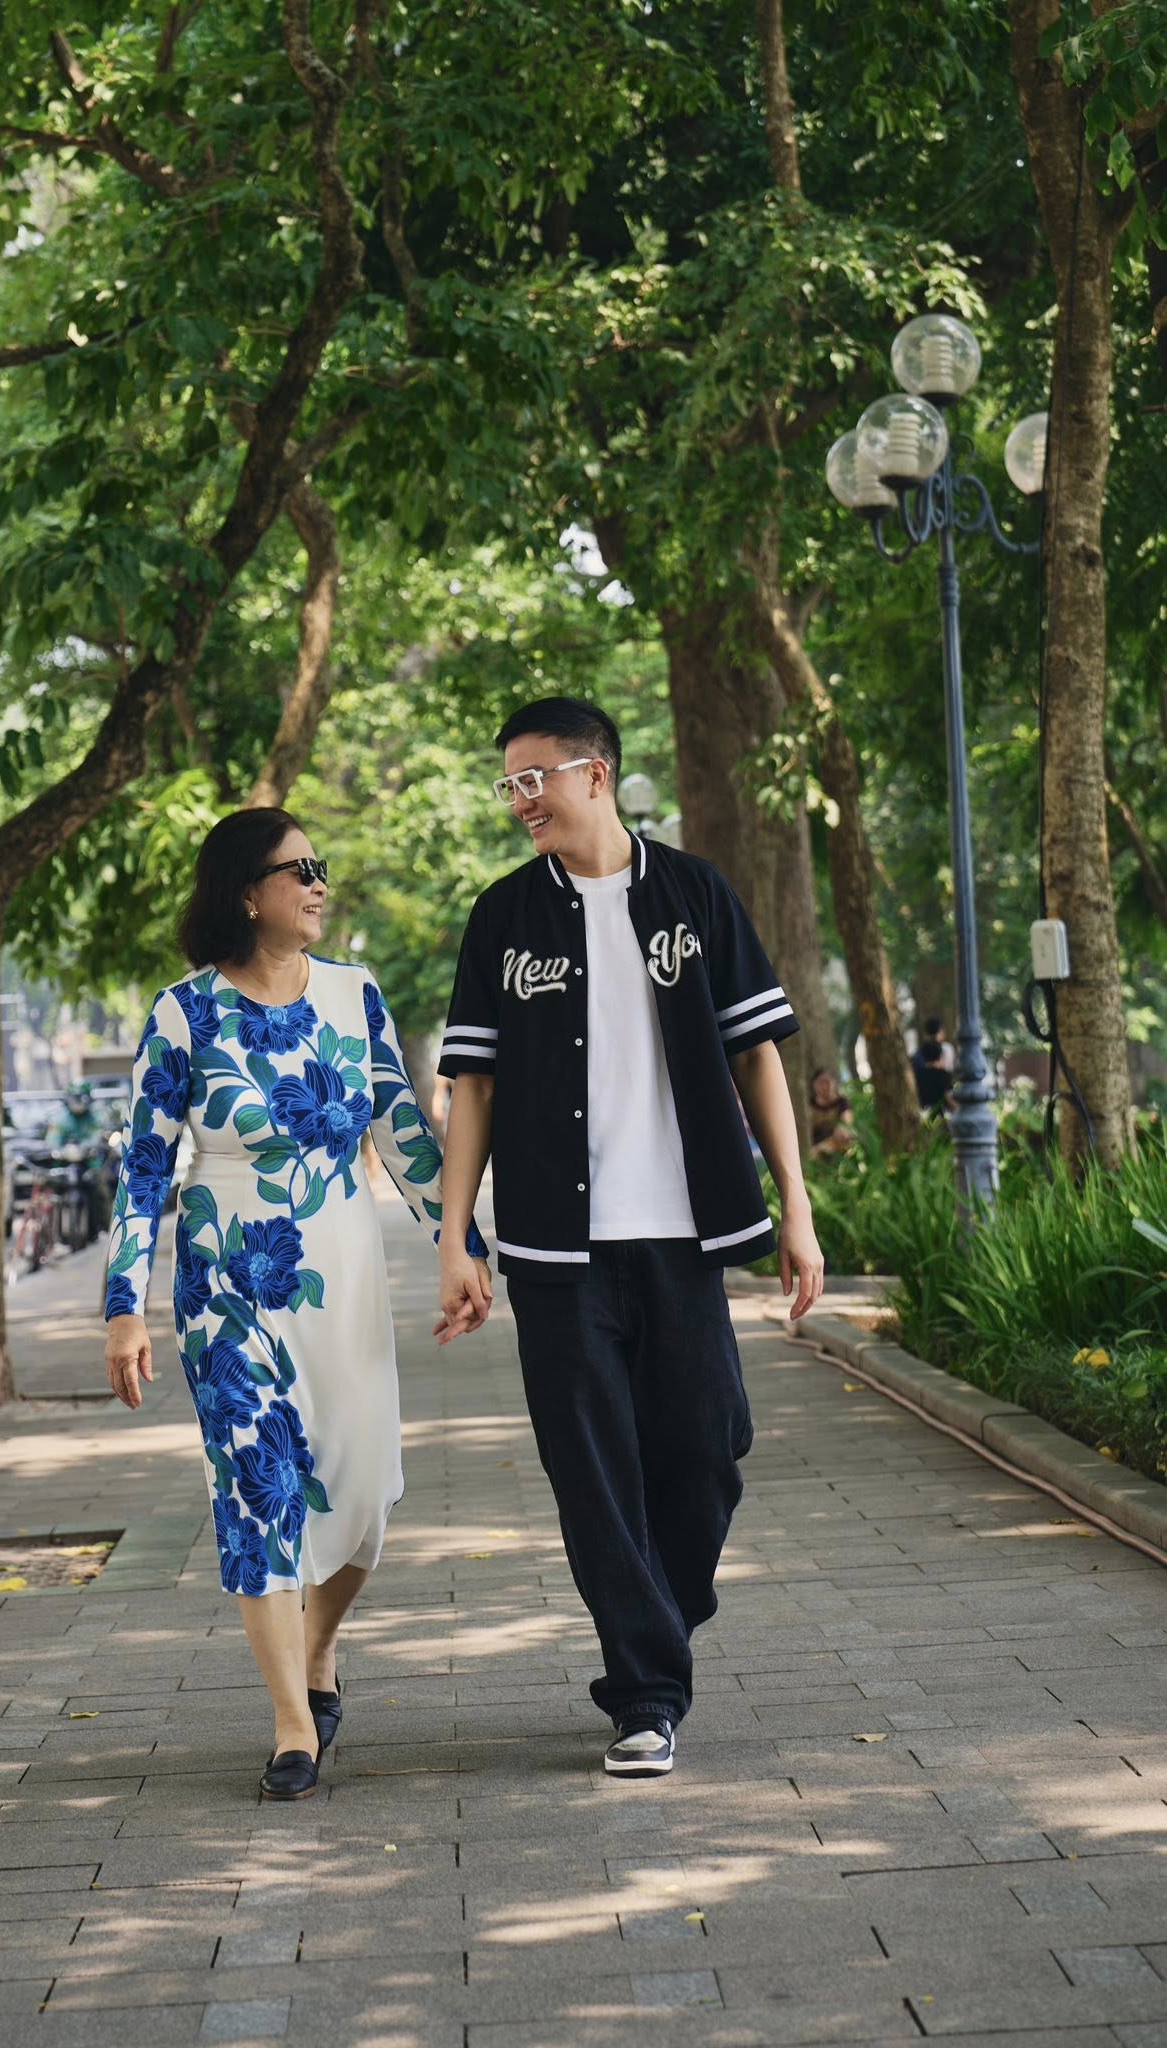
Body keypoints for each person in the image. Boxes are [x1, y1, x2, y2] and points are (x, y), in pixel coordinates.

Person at [436, 698, 824, 1782]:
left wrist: (795, 1208)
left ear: (595, 774)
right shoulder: (504, 916)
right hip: (556, 1249)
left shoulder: (695, 893)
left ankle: (655, 1617)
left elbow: (757, 1056)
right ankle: (645, 1694)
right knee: (593, 1473)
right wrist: (458, 1237)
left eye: (534, 778)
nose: (520, 801)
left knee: (708, 1448)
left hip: (684, 1234)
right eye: (508, 784)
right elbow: (473, 1087)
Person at [103, 809, 489, 1802]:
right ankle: (291, 1725)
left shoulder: (356, 996)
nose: (319, 883)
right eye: (298, 868)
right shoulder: (184, 1013)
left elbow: (403, 1136)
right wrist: (123, 1304)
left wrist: (462, 1250)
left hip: (342, 1272)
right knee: (259, 1490)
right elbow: (144, 1169)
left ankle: (318, 1650)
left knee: (364, 1494)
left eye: (323, 865)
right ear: (246, 892)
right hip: (225, 1282)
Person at [50, 1082, 108, 1239]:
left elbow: (97, 1135)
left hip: (88, 1163)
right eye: (74, 1098)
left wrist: (88, 1146)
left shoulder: (94, 1118)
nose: (77, 1102)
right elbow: (53, 1138)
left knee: (101, 1189)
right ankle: (51, 1232)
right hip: (64, 1164)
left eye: (81, 1098)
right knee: (50, 1191)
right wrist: (57, 1149)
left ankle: (104, 1225)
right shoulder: (60, 1119)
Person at [808, 1066, 853, 1156]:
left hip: (836, 1143)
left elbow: (846, 1122)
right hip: (814, 1144)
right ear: (814, 1085)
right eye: (821, 1082)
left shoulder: (842, 1102)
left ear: (834, 1083)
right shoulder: (810, 1104)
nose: (825, 1086)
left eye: (828, 1082)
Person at [914, 1038, 955, 1118]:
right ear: (940, 1055)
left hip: (922, 1116)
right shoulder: (944, 1074)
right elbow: (949, 1098)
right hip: (939, 1117)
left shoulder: (917, 1074)